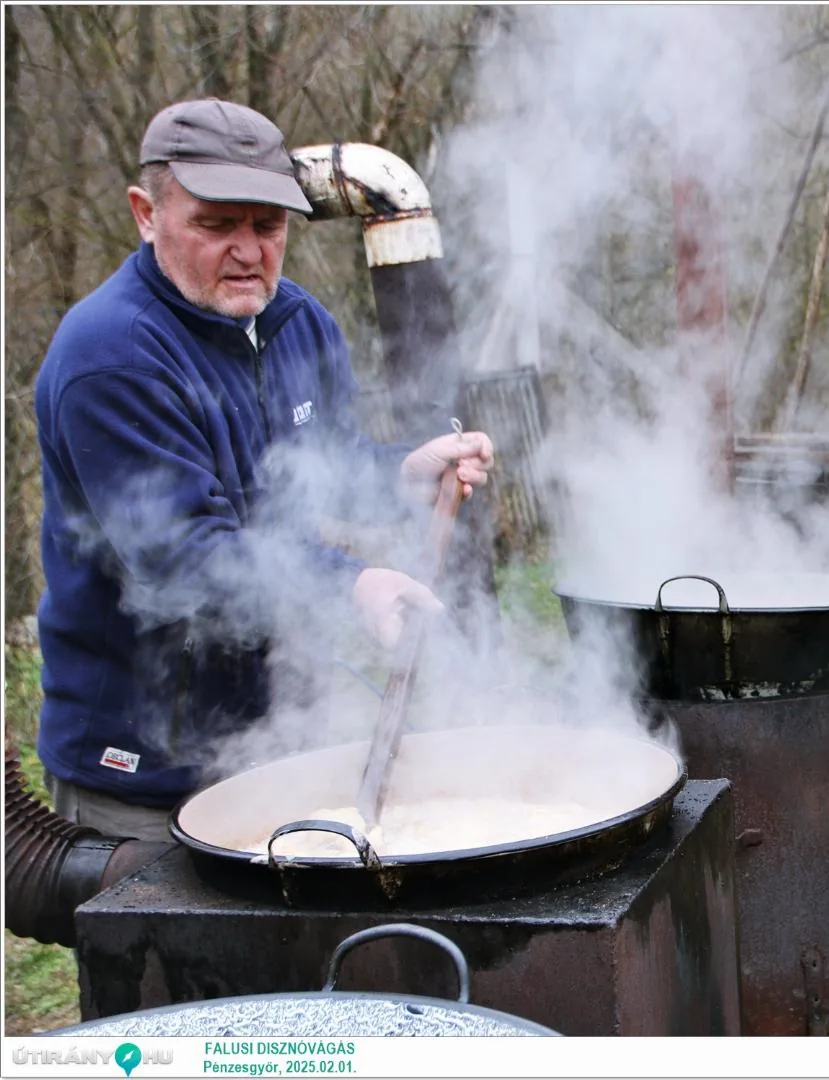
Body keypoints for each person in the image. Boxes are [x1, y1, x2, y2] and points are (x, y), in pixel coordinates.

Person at [32, 98, 495, 841]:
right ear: (146, 213)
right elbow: (185, 562)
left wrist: (405, 471)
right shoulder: (110, 357)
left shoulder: (296, 323)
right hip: (144, 769)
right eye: (217, 225)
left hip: (276, 739)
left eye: (267, 225)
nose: (249, 250)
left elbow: (323, 465)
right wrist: (352, 584)